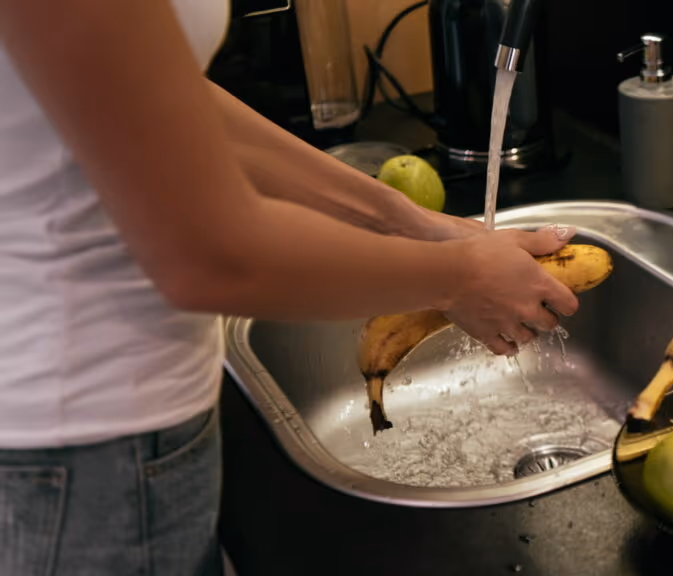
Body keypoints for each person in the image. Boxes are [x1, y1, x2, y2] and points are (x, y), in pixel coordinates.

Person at [0, 1, 579, 574]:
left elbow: (165, 100)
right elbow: (209, 254)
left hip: (104, 438)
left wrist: (408, 222)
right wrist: (458, 279)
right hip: (79, 454)